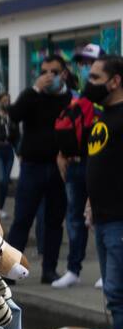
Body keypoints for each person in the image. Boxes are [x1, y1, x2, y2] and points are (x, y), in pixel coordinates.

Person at [6, 55, 72, 283]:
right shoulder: (32, 95)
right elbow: (14, 114)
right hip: (32, 168)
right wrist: (34, 89)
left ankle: (49, 270)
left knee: (54, 222)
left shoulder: (70, 99)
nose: (48, 76)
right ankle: (10, 271)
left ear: (63, 74)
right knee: (22, 220)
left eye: (53, 72)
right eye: (44, 72)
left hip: (58, 168)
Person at [83, 54, 123, 329]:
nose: (89, 83)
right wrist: (91, 201)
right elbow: (101, 164)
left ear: (115, 81)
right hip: (105, 218)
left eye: (96, 77)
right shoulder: (102, 117)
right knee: (114, 297)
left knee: (119, 297)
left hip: (120, 221)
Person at [52, 65, 99, 289]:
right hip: (75, 165)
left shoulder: (103, 105)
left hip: (96, 166)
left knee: (99, 219)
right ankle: (73, 269)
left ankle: (107, 271)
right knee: (75, 219)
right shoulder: (73, 101)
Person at [0, 91, 20, 214]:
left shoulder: (10, 116)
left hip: (8, 149)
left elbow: (16, 135)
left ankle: (1, 207)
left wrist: (19, 152)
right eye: (4, 101)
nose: (6, 103)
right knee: (0, 179)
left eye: (8, 101)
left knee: (5, 181)